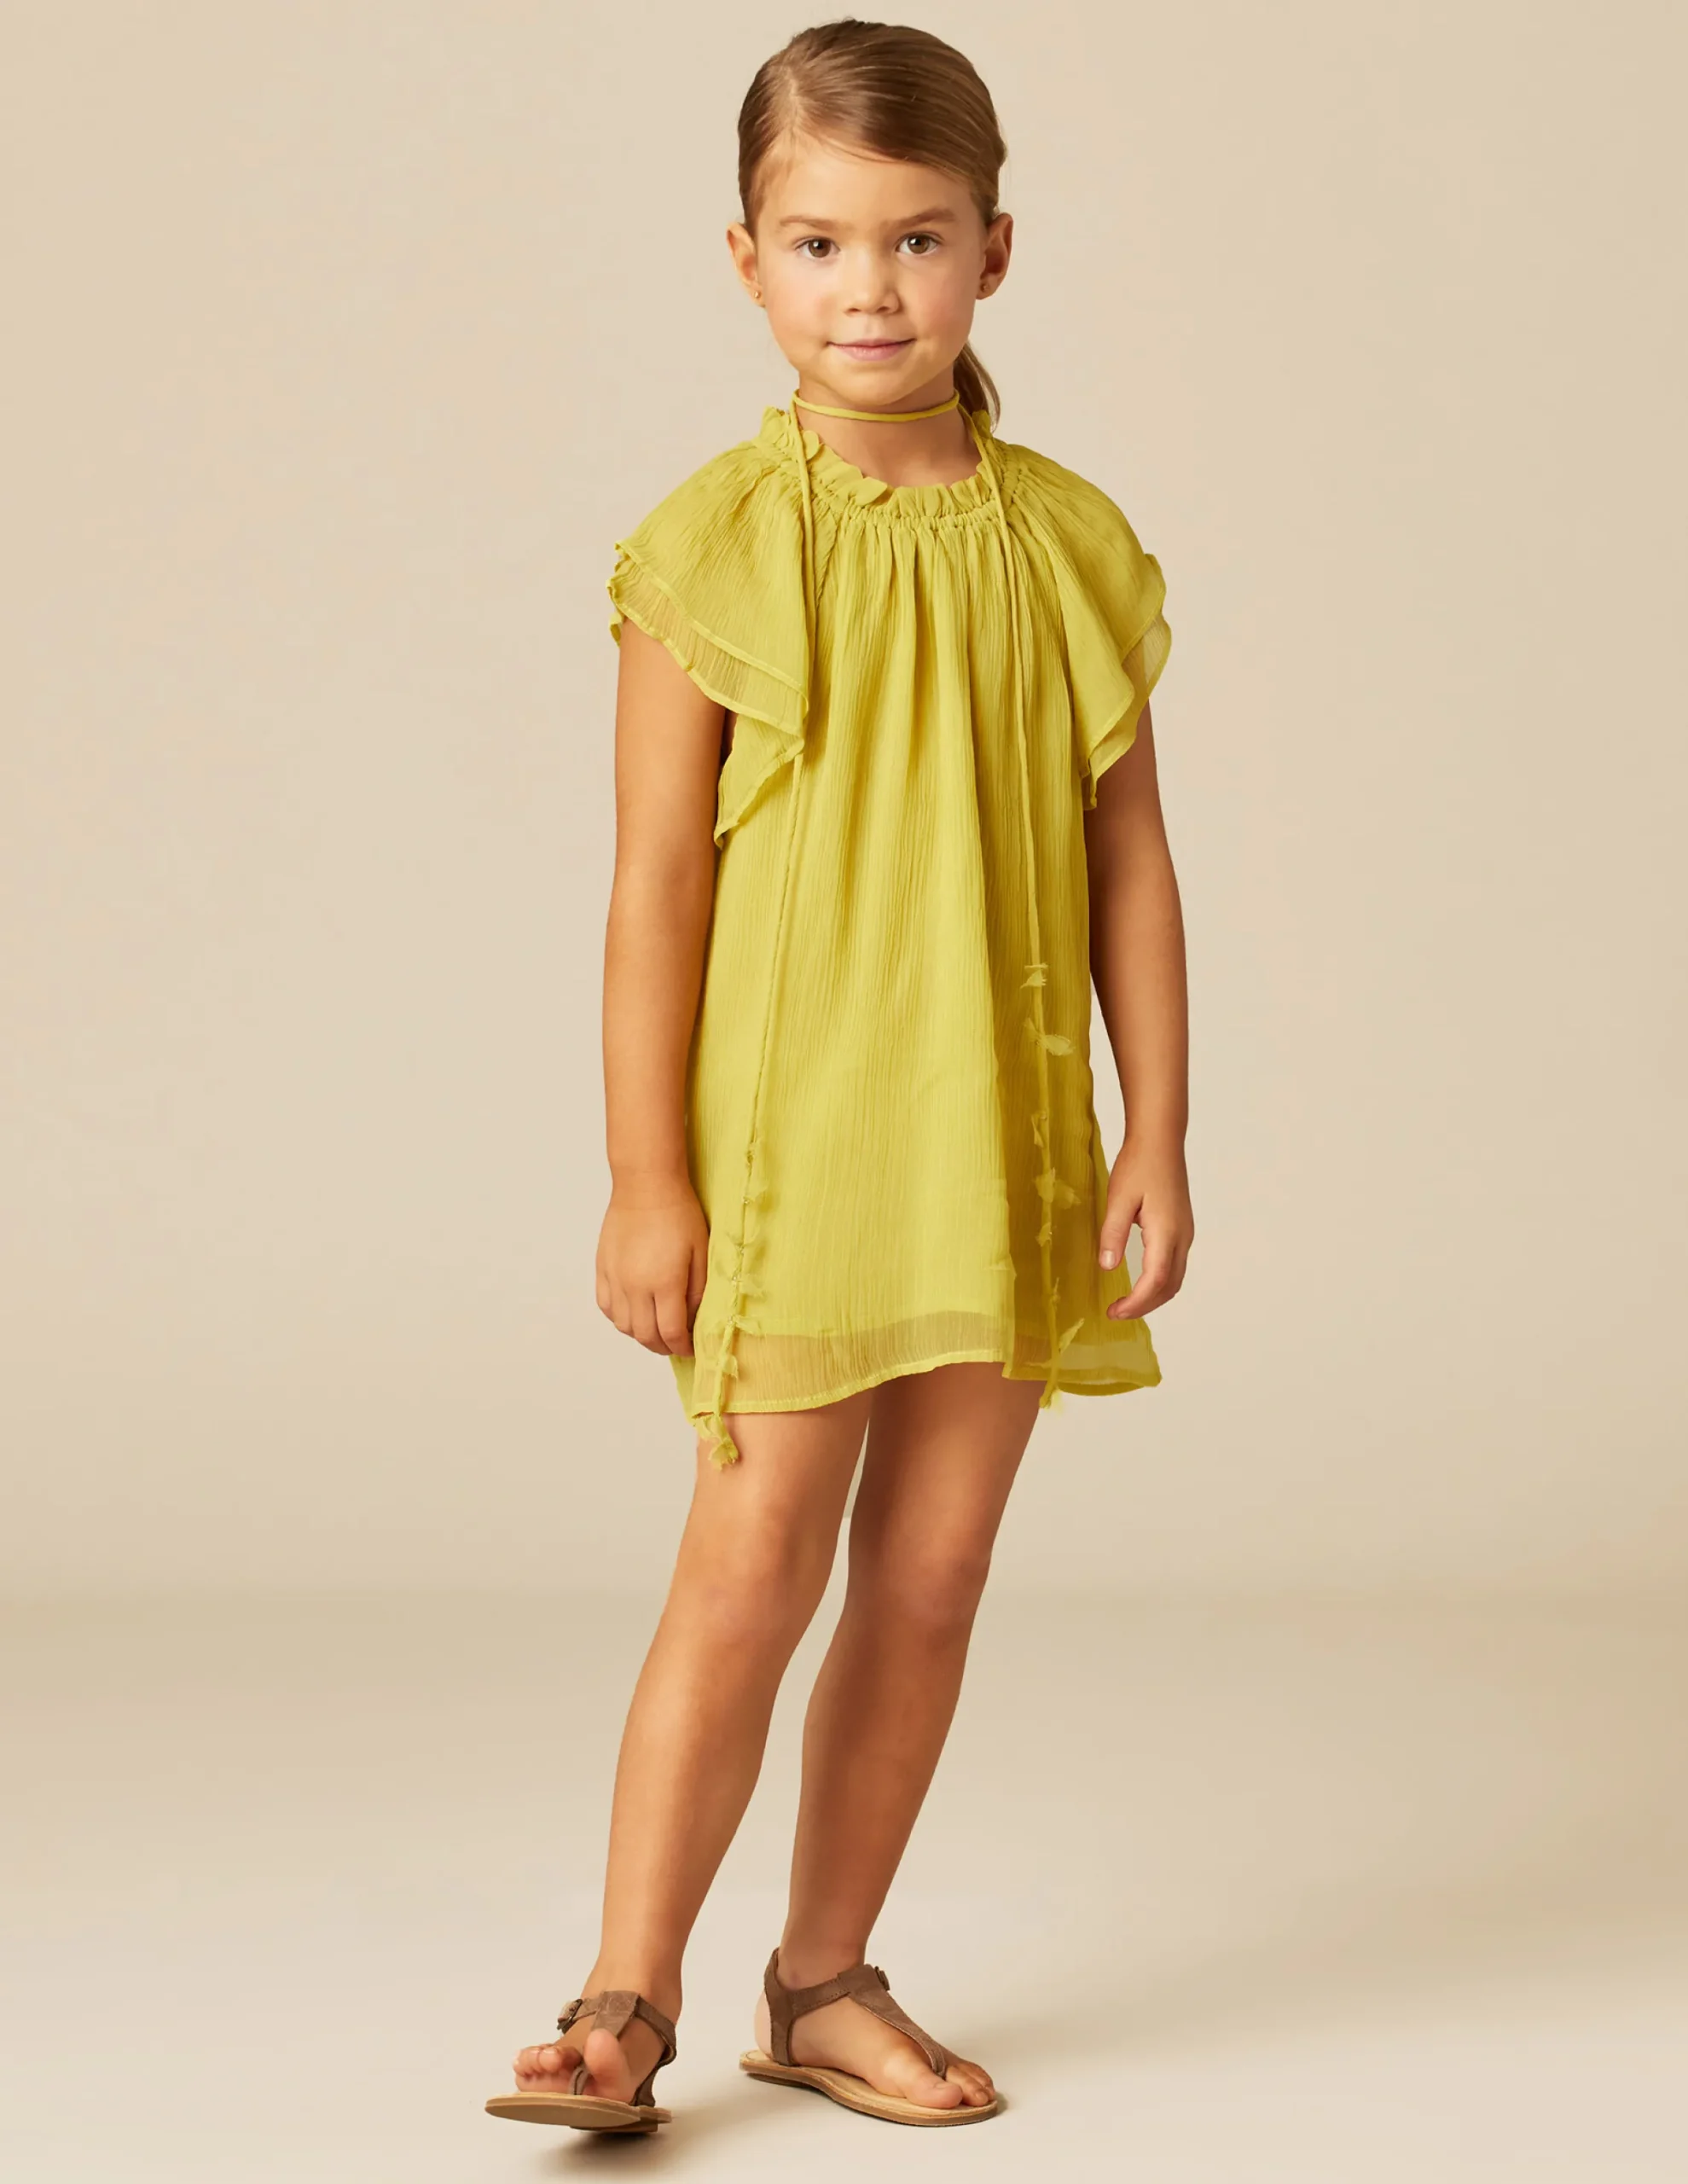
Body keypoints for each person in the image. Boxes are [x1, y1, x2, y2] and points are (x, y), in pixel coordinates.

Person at [485, 16, 1193, 2137]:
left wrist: (1154, 1127)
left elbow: (1127, 857)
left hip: (999, 1131)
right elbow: (651, 887)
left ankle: (820, 1977)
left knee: (934, 1570)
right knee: (751, 1559)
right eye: (816, 242)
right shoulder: (714, 547)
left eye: (912, 239)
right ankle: (622, 1993)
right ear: (745, 260)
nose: (866, 288)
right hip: (795, 1147)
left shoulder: (1067, 544)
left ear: (992, 249)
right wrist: (645, 1175)